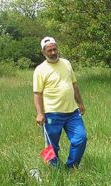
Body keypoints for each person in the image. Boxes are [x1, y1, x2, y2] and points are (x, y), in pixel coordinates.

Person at [33, 37, 87, 170]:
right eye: (49, 50)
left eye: (54, 49)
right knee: (51, 146)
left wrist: (80, 103)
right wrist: (40, 113)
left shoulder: (66, 63)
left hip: (72, 113)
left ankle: (71, 168)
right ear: (43, 52)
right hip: (52, 114)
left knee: (81, 138)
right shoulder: (40, 70)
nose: (53, 52)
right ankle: (53, 170)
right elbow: (37, 94)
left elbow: (74, 84)